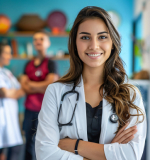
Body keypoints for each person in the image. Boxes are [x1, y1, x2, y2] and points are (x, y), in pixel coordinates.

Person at [35, 6, 147, 160]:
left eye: (102, 37)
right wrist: (108, 152)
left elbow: (132, 155)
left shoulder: (130, 95)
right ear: (75, 43)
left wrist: (76, 146)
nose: (94, 46)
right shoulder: (55, 92)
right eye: (85, 37)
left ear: (113, 43)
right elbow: (45, 154)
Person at [20, 31, 59, 160]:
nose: (38, 41)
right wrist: (41, 85)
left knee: (44, 143)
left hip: (46, 110)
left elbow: (50, 86)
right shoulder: (28, 64)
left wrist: (31, 84)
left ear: (48, 43)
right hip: (29, 110)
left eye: (41, 39)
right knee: (28, 142)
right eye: (35, 39)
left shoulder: (51, 63)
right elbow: (24, 87)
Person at [0, 42, 25, 160]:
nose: (10, 56)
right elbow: (3, 92)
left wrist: (10, 93)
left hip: (11, 116)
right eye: (7, 53)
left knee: (15, 147)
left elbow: (22, 90)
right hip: (0, 116)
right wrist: (10, 93)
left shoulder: (7, 72)